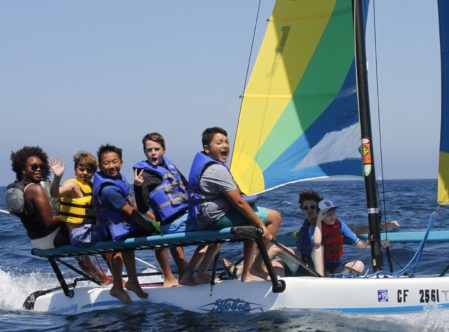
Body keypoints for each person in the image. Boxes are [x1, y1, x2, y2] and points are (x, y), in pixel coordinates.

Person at [183, 127, 281, 283]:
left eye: (227, 142)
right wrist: (260, 224)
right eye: (219, 142)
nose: (225, 146)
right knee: (272, 217)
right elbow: (239, 202)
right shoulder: (216, 170)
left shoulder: (205, 165)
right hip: (215, 218)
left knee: (247, 220)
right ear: (207, 148)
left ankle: (194, 274)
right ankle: (251, 270)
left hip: (205, 218)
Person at [93, 144, 157, 304]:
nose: (111, 166)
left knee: (127, 248)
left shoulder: (118, 178)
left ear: (121, 162)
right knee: (160, 238)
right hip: (111, 230)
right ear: (100, 165)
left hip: (122, 227)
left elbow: (132, 203)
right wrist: (151, 227)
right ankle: (171, 277)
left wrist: (152, 217)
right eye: (106, 163)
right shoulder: (108, 189)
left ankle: (131, 282)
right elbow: (130, 213)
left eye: (114, 161)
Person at [133, 132, 188, 287]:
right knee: (163, 239)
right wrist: (137, 187)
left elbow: (187, 187)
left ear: (164, 149)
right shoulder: (145, 174)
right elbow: (143, 207)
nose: (153, 153)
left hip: (184, 215)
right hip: (163, 220)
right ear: (145, 152)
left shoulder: (170, 167)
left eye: (156, 149)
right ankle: (170, 277)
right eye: (149, 150)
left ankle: (185, 271)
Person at [49, 152, 111, 286]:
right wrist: (57, 178)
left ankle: (108, 280)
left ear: (94, 172)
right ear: (75, 169)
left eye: (89, 171)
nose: (84, 173)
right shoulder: (72, 185)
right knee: (109, 239)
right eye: (81, 169)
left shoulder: (91, 187)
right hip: (78, 235)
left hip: (88, 231)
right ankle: (108, 281)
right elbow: (55, 193)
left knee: (108, 242)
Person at [9, 146, 68, 249]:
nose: (39, 169)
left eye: (42, 167)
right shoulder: (35, 189)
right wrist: (72, 215)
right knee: (98, 231)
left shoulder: (23, 187)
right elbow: (49, 221)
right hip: (52, 239)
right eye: (34, 166)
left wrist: (57, 178)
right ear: (23, 170)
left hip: (38, 242)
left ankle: (89, 265)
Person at [310, 199, 389, 276]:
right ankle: (320, 280)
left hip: (335, 266)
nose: (332, 215)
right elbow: (317, 242)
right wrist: (319, 219)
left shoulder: (340, 225)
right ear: (320, 215)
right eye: (328, 213)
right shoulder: (314, 227)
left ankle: (339, 278)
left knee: (359, 264)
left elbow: (359, 244)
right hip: (317, 269)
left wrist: (379, 244)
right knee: (318, 248)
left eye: (333, 212)